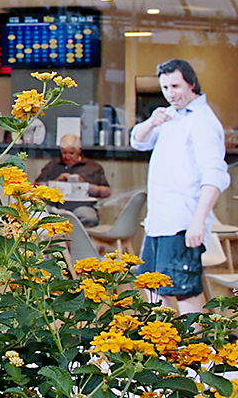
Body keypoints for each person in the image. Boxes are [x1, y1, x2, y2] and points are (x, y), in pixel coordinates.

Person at [130, 58, 230, 315]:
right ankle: (165, 340)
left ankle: (194, 342)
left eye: (175, 86)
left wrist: (198, 221)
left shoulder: (203, 121)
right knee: (154, 289)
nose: (170, 94)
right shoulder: (170, 115)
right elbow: (138, 141)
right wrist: (151, 121)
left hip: (182, 222)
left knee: (184, 292)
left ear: (191, 83)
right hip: (158, 221)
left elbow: (215, 175)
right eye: (165, 88)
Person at [33, 134, 110, 228]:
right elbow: (35, 187)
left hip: (81, 206)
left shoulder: (92, 167)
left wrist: (84, 185)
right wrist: (55, 182)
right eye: (64, 153)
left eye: (71, 153)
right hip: (55, 206)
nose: (68, 157)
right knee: (38, 213)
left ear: (79, 150)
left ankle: (79, 237)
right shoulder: (53, 165)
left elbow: (106, 192)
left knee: (89, 217)